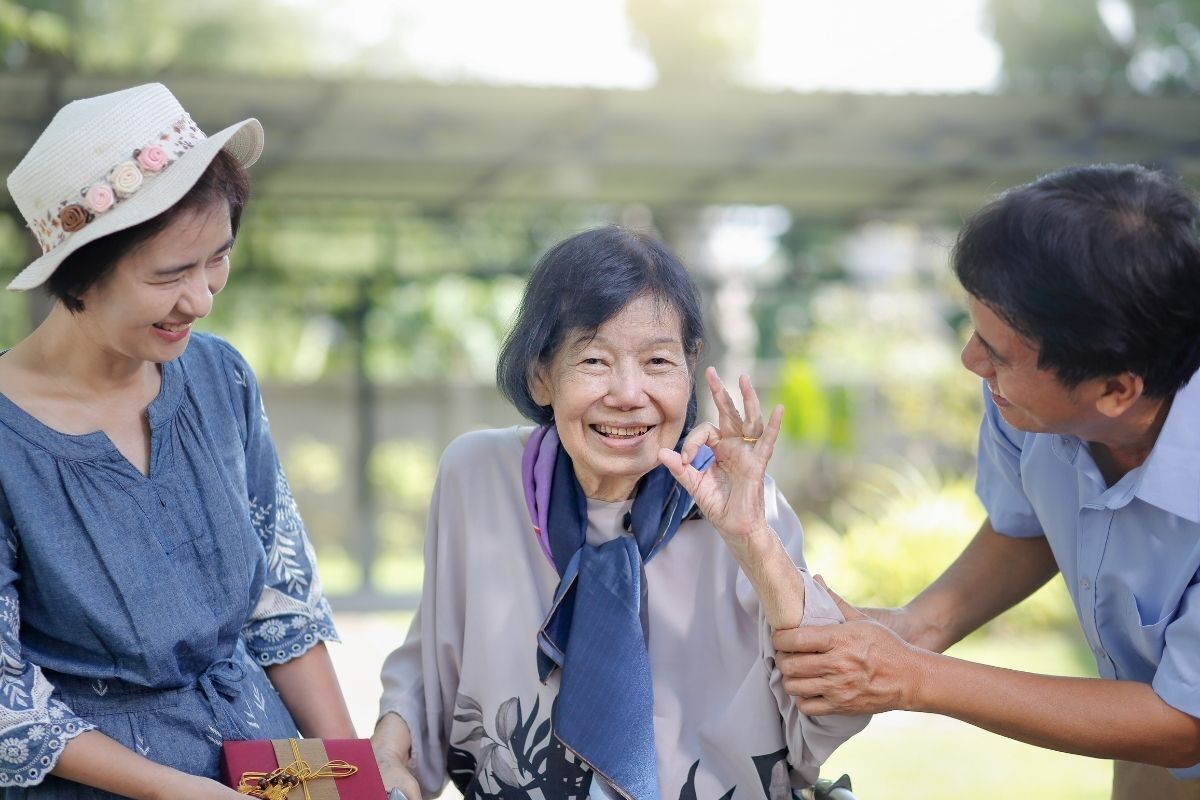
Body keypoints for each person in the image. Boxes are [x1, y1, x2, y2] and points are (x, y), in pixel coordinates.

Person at [371, 226, 868, 800]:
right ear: (540, 374)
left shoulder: (739, 501)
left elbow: (829, 716)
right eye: (594, 360)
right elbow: (433, 658)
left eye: (658, 360)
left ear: (690, 367)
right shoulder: (478, 475)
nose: (629, 394)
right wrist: (390, 740)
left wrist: (752, 538)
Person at [771, 163, 1200, 799]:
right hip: (1149, 745)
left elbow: (1183, 722)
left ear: (1115, 389)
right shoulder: (1034, 405)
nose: (972, 360)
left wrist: (913, 677)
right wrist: (916, 628)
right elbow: (1031, 523)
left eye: (998, 353)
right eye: (976, 332)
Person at [0, 84, 354, 798]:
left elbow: (282, 602)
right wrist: (175, 789)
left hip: (273, 769)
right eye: (169, 275)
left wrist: (352, 774)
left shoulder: (220, 378)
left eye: (216, 260)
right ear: (80, 274)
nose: (201, 299)